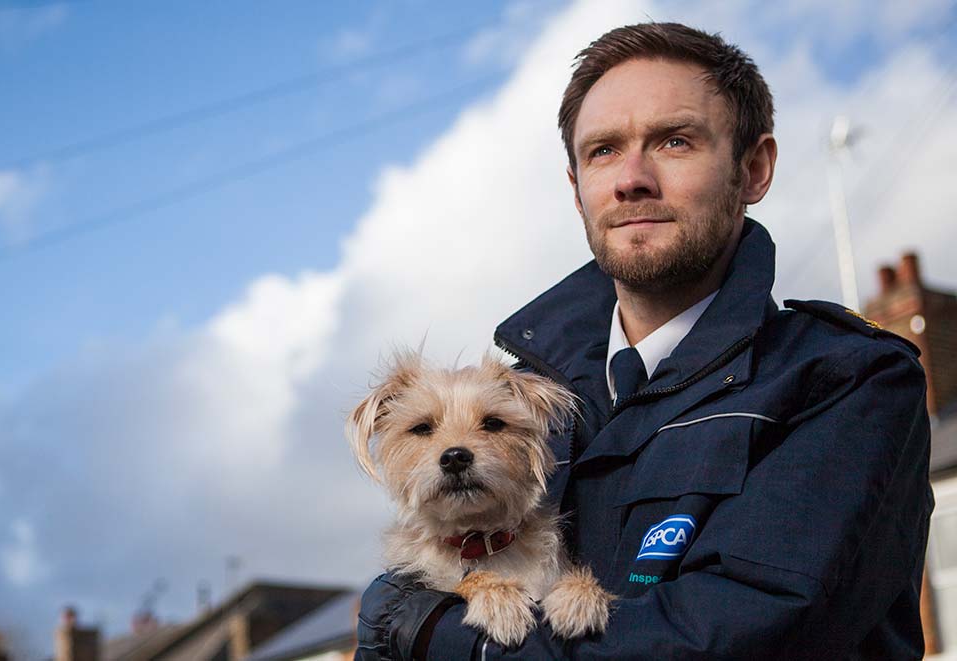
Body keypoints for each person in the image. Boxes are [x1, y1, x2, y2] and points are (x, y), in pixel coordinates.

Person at [354, 22, 933, 660]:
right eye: (603, 150)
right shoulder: (540, 394)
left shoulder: (847, 380)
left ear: (754, 169)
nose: (632, 178)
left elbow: (732, 635)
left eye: (675, 141)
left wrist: (427, 631)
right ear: (576, 190)